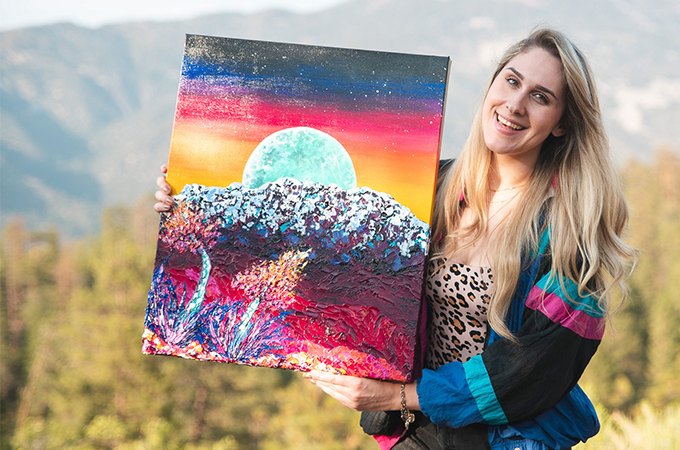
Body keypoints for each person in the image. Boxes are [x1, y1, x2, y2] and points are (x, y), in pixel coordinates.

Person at [155, 28, 637, 450]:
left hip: (509, 437)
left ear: (563, 123)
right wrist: (195, 208)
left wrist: (396, 395)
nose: (515, 104)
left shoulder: (571, 233)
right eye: (511, 81)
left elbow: (530, 369)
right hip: (417, 430)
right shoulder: (432, 187)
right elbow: (318, 249)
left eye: (541, 96)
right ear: (492, 85)